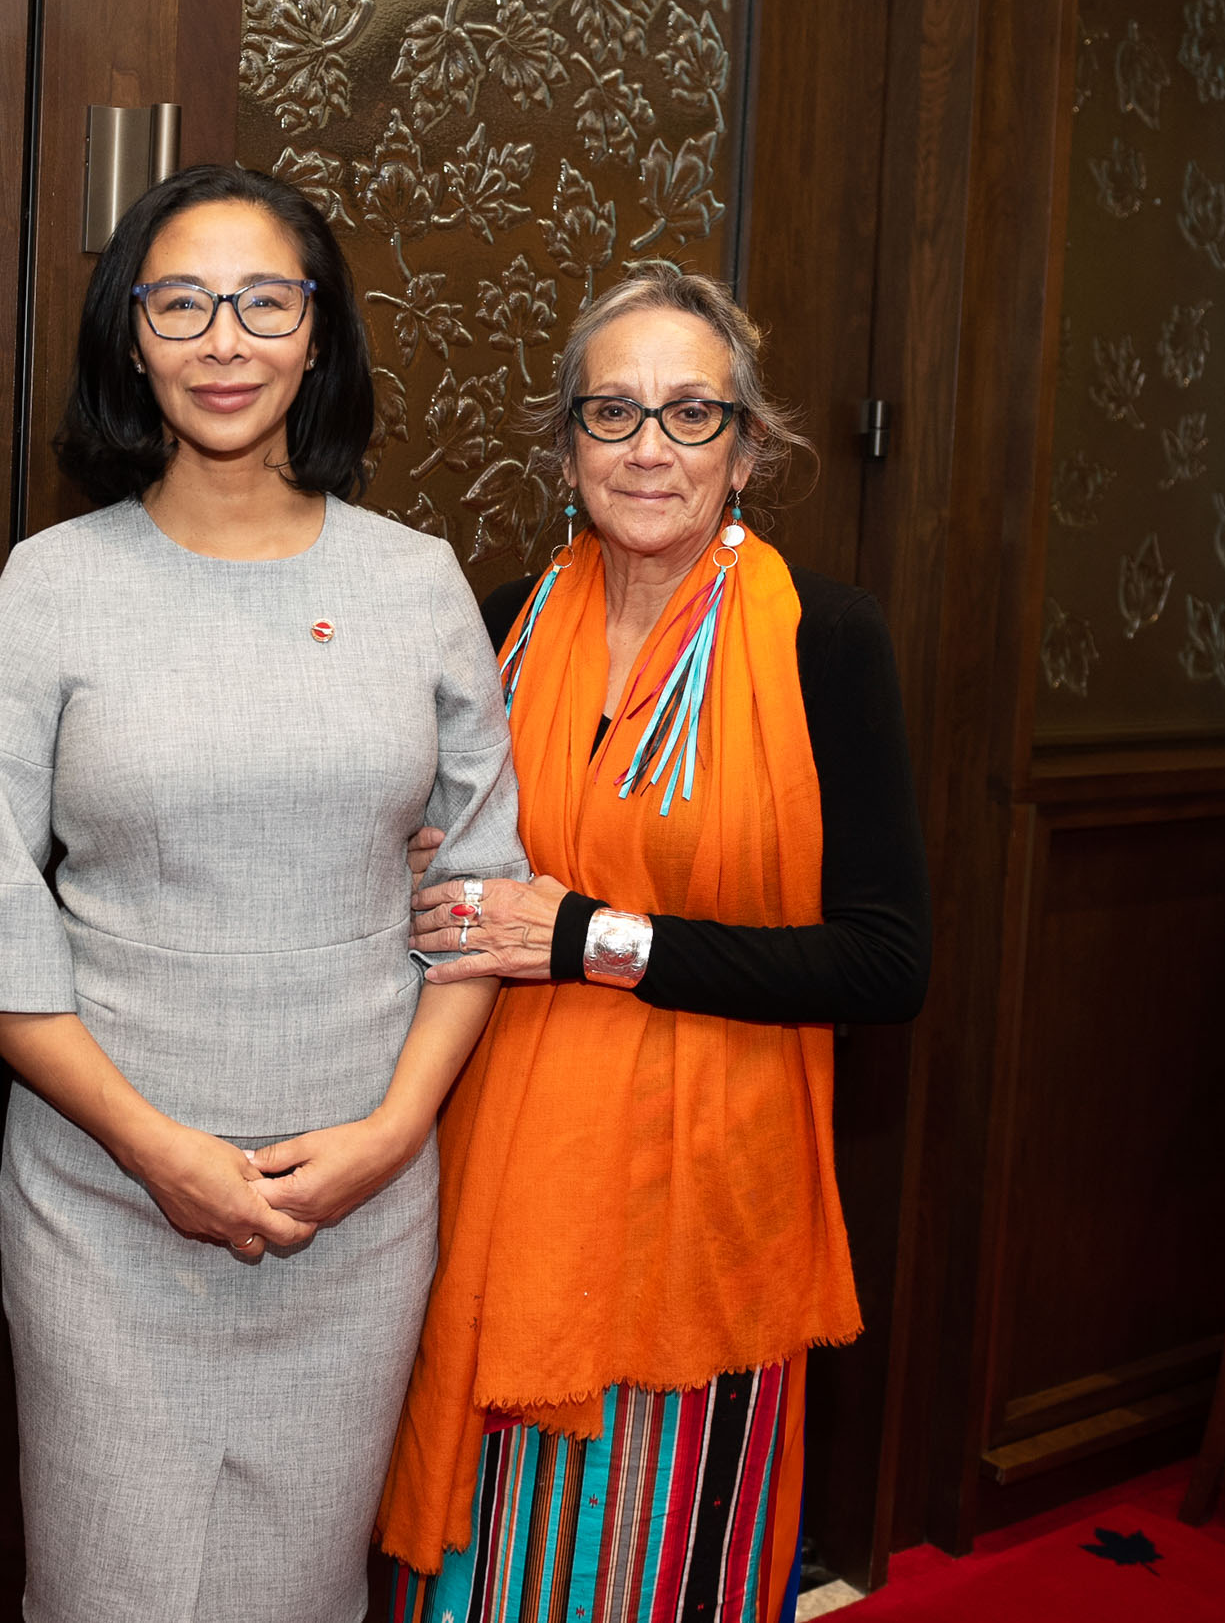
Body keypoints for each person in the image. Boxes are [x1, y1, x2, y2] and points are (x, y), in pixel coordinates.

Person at [0, 164, 527, 1622]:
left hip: (358, 1199)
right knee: (113, 1581)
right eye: (182, 303)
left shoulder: (416, 583)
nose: (224, 339)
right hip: (108, 1198)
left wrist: (395, 1134)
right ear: (134, 338)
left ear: (318, 334)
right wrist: (157, 1146)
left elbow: (479, 888)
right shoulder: (53, 583)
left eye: (264, 301)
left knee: (305, 1582)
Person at [378, 269, 932, 1622]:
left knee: (652, 1564)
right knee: (487, 1570)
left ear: (749, 448)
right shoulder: (504, 618)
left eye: (692, 413)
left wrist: (588, 936)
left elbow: (884, 962)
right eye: (613, 410)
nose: (648, 448)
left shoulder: (824, 641)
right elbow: (453, 857)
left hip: (706, 1199)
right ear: (565, 443)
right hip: (497, 1173)